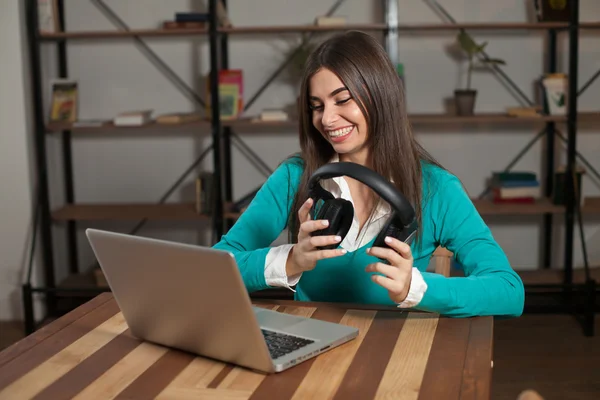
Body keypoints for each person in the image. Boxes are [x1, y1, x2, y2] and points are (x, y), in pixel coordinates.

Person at [213, 30, 524, 318]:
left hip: (392, 357)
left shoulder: (436, 188)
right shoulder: (295, 177)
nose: (328, 119)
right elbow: (215, 266)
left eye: (343, 99)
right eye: (317, 106)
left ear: (380, 94)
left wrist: (414, 288)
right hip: (309, 352)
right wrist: (291, 259)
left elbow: (508, 291)